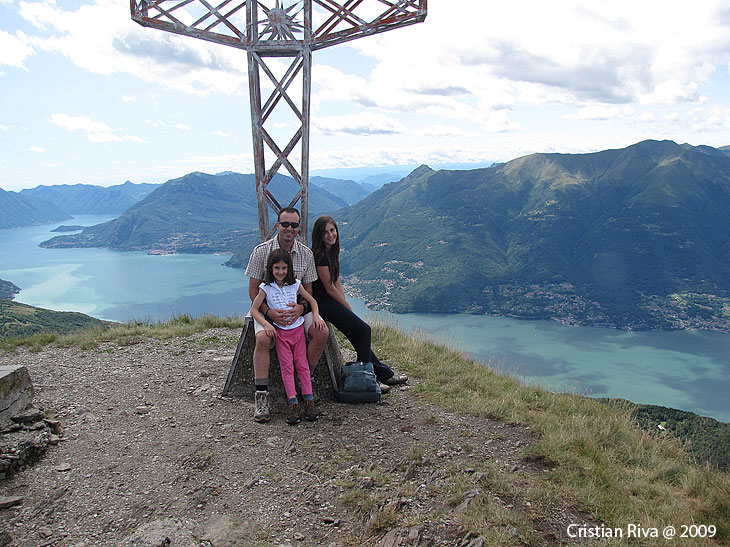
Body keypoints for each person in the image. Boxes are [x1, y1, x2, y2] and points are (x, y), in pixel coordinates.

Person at [246, 207, 329, 423]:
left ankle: (304, 379)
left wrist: (302, 308)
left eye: (293, 225)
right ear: (277, 226)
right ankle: (262, 395)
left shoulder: (306, 254)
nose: (289, 229)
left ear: (299, 229)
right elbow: (253, 290)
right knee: (263, 338)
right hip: (267, 310)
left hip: (297, 311)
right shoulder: (261, 251)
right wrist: (268, 313)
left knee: (321, 332)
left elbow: (309, 292)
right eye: (285, 224)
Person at [311, 215, 408, 389]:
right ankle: (367, 380)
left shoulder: (331, 251)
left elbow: (336, 279)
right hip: (322, 303)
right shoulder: (320, 255)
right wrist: (346, 307)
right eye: (325, 232)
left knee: (356, 334)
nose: (330, 235)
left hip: (329, 301)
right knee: (364, 330)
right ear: (319, 235)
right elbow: (329, 287)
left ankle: (383, 374)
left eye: (332, 230)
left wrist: (344, 302)